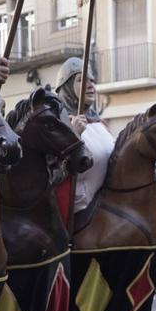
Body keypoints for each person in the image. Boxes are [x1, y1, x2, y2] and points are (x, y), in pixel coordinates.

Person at [54, 57, 114, 220]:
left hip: (106, 206)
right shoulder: (57, 123)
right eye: (81, 80)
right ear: (66, 87)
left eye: (92, 80)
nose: (90, 86)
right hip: (75, 212)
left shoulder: (98, 123)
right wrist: (72, 137)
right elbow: (53, 168)